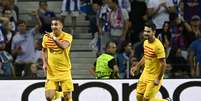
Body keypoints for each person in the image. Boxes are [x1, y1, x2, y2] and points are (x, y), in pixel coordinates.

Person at [130, 22, 172, 101]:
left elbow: (163, 64)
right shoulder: (145, 42)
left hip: (154, 76)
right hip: (145, 73)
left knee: (147, 99)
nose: (146, 33)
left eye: (148, 32)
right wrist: (137, 66)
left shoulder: (158, 46)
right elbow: (146, 56)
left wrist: (158, 78)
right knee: (139, 97)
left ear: (154, 32)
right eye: (145, 31)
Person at [41, 17, 73, 101]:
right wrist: (44, 63)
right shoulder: (46, 37)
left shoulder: (68, 36)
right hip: (51, 71)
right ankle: (62, 94)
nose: (53, 26)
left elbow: (63, 46)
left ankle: (66, 95)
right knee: (48, 97)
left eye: (56, 24)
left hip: (64, 70)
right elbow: (44, 50)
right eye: (52, 24)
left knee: (67, 99)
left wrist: (54, 39)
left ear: (61, 26)